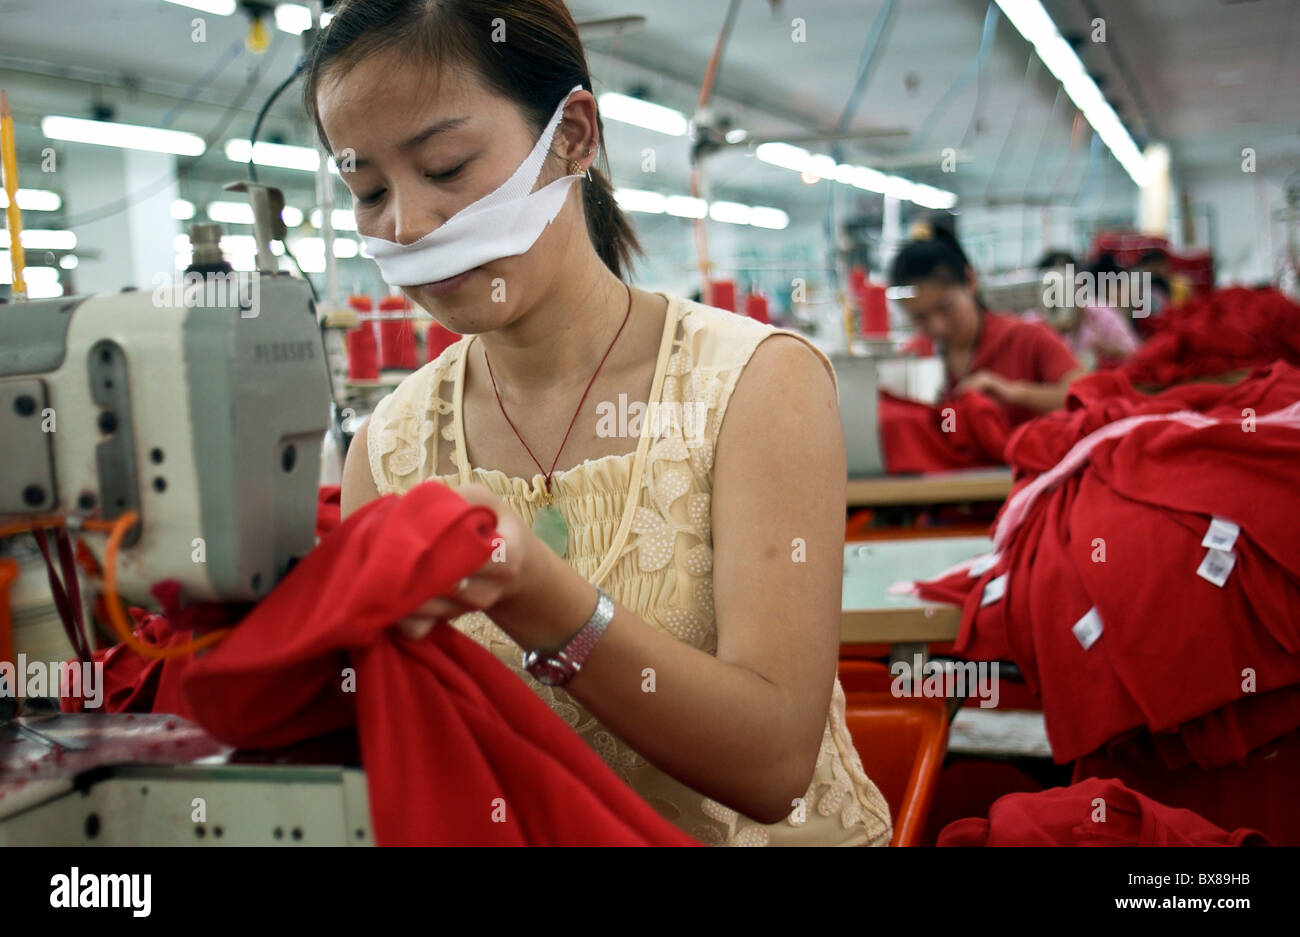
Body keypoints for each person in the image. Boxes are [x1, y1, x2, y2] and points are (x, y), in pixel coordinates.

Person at [309, 0, 890, 846]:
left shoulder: (756, 385)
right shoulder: (390, 449)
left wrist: (542, 597)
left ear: (572, 135)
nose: (405, 224)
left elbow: (772, 767)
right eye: (367, 189)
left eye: (445, 167)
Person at [891, 223, 1084, 426]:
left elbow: (1086, 394)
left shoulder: (1027, 338)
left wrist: (1012, 392)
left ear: (970, 280)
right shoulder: (913, 357)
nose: (937, 326)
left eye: (946, 308)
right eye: (920, 317)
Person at [1031, 250, 1139, 370]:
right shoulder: (1032, 324)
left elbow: (1134, 354)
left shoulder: (1102, 314)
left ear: (1080, 282)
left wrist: (1112, 351)